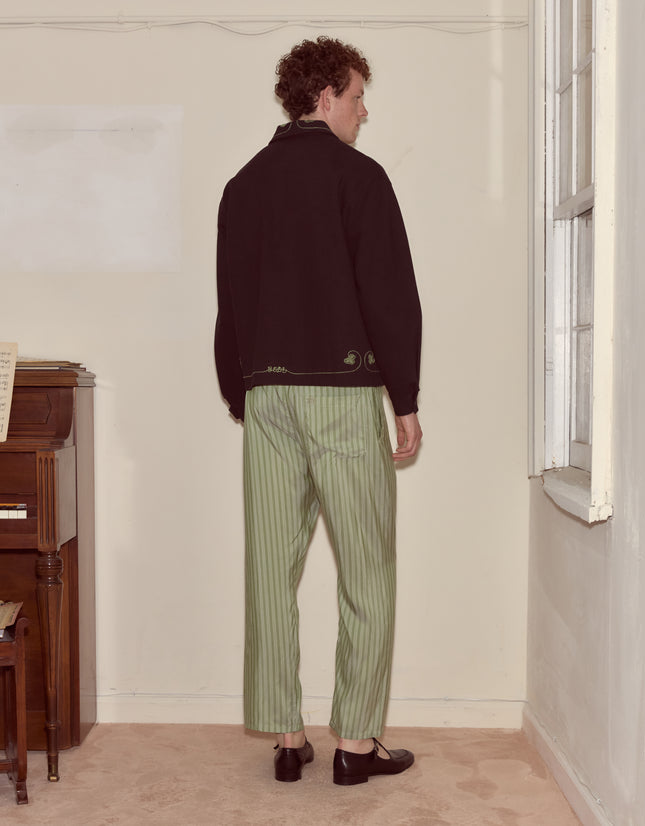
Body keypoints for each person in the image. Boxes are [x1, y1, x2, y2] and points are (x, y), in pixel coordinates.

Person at [214, 36, 422, 786]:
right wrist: (405, 397)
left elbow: (229, 302)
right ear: (325, 95)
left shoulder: (242, 186)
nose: (365, 112)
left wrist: (241, 390)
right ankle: (356, 745)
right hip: (341, 394)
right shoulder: (358, 178)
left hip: (267, 394)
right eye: (359, 95)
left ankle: (286, 736)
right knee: (366, 568)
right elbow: (389, 296)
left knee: (270, 568)